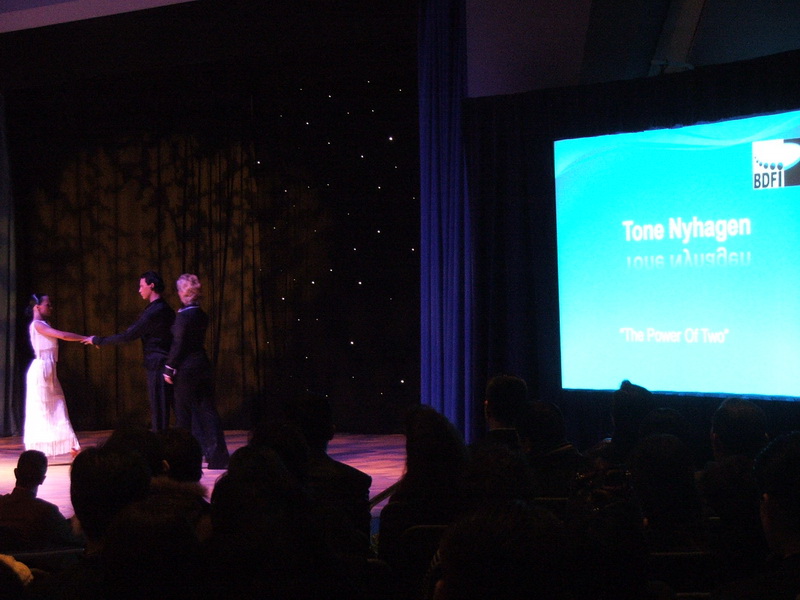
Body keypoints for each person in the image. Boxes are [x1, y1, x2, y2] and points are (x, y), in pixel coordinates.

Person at [84, 271, 175, 432]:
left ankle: (160, 443)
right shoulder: (162, 308)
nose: (139, 290)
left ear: (151, 286)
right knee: (162, 408)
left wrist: (98, 340)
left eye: (141, 286)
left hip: (158, 363)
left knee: (159, 409)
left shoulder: (155, 311)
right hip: (162, 362)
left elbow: (128, 335)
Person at [163, 274, 229, 469]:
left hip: (187, 369)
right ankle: (217, 456)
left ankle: (183, 458)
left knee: (183, 414)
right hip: (202, 365)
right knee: (207, 410)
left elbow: (179, 344)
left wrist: (169, 367)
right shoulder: (200, 314)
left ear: (183, 292)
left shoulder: (183, 316)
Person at [24, 294, 88, 457]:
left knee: (57, 406)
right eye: (48, 305)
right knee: (44, 410)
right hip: (41, 371)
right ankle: (43, 449)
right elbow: (63, 335)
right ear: (37, 307)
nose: (51, 308)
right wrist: (85, 338)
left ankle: (71, 445)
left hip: (48, 370)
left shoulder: (44, 324)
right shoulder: (38, 324)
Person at [0, 449, 83, 552]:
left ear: (16, 473)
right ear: (42, 479)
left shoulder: (2, 504)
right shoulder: (47, 512)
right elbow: (72, 539)